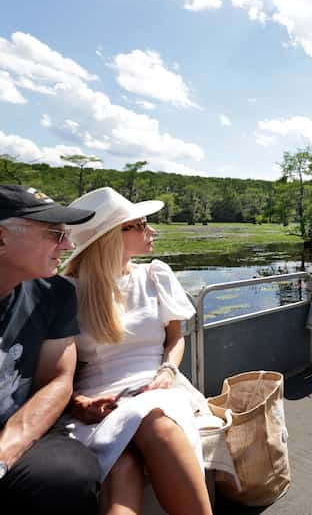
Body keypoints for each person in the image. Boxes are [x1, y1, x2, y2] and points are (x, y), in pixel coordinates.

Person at [61, 187, 211, 515]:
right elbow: (61, 372)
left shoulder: (155, 275)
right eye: (141, 224)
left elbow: (175, 339)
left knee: (156, 422)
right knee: (122, 465)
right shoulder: (68, 293)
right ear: (111, 236)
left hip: (157, 385)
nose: (151, 230)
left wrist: (167, 371)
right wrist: (78, 403)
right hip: (98, 401)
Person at [0, 185, 101, 513]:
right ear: (1, 238)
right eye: (55, 234)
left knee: (69, 475)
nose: (68, 245)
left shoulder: (55, 294)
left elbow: (58, 380)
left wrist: (4, 453)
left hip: (16, 428)